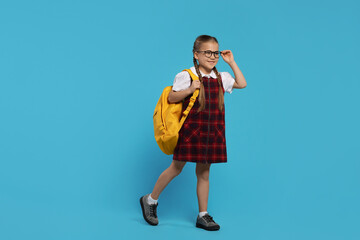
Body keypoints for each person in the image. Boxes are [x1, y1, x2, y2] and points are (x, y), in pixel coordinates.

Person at [140, 35, 247, 231]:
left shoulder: (221, 77)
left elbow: (242, 83)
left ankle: (203, 215)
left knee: (204, 173)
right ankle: (150, 200)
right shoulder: (187, 75)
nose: (212, 56)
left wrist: (231, 62)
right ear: (196, 54)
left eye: (215, 52)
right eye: (207, 52)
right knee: (176, 168)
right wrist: (190, 89)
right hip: (190, 132)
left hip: (212, 132)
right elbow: (172, 97)